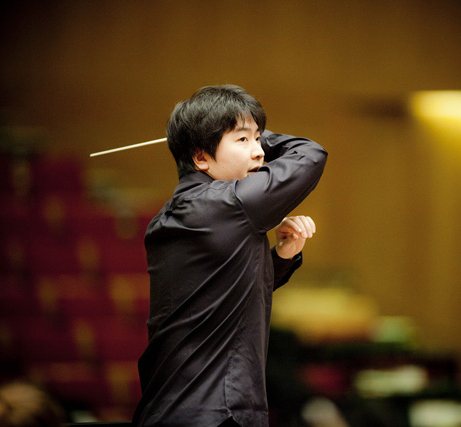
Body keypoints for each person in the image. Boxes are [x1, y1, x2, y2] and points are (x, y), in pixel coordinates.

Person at [133, 85, 328, 427]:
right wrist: (252, 128)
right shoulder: (227, 204)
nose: (259, 152)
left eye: (259, 140)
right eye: (242, 140)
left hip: (172, 409)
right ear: (201, 158)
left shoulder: (171, 216)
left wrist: (281, 256)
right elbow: (310, 154)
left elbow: (222, 293)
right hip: (216, 414)